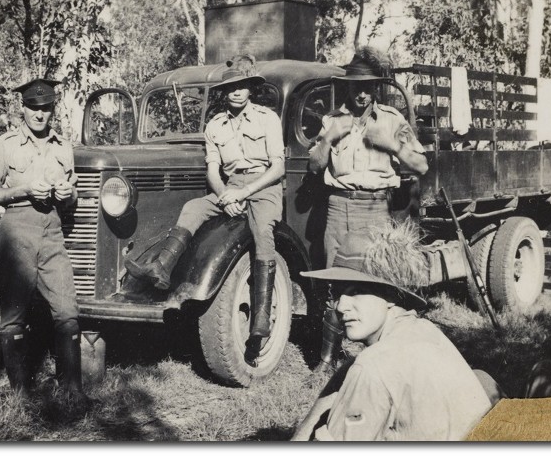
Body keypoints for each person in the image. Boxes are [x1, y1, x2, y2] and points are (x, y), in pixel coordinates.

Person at [125, 54, 285, 367]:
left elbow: (277, 167)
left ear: (250, 89)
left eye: (243, 86)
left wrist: (245, 192)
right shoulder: (216, 125)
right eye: (231, 87)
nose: (237, 92)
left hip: (263, 187)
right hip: (229, 186)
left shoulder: (267, 119)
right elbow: (213, 169)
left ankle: (260, 323)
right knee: (193, 207)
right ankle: (161, 268)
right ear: (225, 91)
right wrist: (225, 193)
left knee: (262, 232)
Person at [291, 225, 496, 441]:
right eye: (337, 293)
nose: (341, 306)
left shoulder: (372, 367)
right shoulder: (422, 329)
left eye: (356, 292)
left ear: (390, 294)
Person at [307, 46, 429, 371]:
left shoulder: (392, 120)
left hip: (376, 210)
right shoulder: (332, 120)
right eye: (356, 86)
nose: (362, 93)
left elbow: (421, 165)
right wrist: (328, 140)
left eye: (368, 86)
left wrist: (393, 145)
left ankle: (383, 355)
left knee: (380, 282)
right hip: (340, 208)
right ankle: (327, 358)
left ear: (376, 87)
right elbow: (313, 166)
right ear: (347, 86)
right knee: (334, 280)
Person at [0, 78, 89, 407]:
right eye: (33, 108)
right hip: (16, 231)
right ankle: (20, 394)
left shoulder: (62, 147)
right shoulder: (5, 145)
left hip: (52, 230)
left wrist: (69, 196)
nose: (40, 114)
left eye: (46, 108)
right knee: (14, 314)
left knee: (67, 310)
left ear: (53, 109)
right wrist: (22, 191)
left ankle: (73, 390)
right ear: (22, 108)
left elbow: (72, 196)